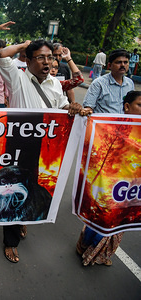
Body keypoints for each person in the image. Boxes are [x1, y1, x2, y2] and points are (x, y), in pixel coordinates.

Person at [0, 39, 82, 263]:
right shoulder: (17, 77)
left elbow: (62, 105)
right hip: (17, 144)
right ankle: (10, 242)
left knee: (33, 186)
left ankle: (23, 218)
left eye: (50, 58)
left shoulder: (54, 83)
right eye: (41, 57)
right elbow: (1, 55)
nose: (47, 62)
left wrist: (71, 107)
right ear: (29, 58)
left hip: (44, 146)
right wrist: (24, 45)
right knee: (13, 188)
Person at [76, 90, 141, 266]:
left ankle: (88, 248)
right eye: (140, 105)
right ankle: (90, 250)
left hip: (131, 187)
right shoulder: (113, 127)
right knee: (105, 219)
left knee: (110, 219)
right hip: (112, 184)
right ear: (127, 107)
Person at [81, 49, 134, 115]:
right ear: (109, 65)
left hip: (123, 124)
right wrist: (87, 110)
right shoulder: (99, 83)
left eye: (125, 62)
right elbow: (88, 107)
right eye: (118, 62)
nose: (123, 65)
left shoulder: (130, 83)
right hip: (103, 124)